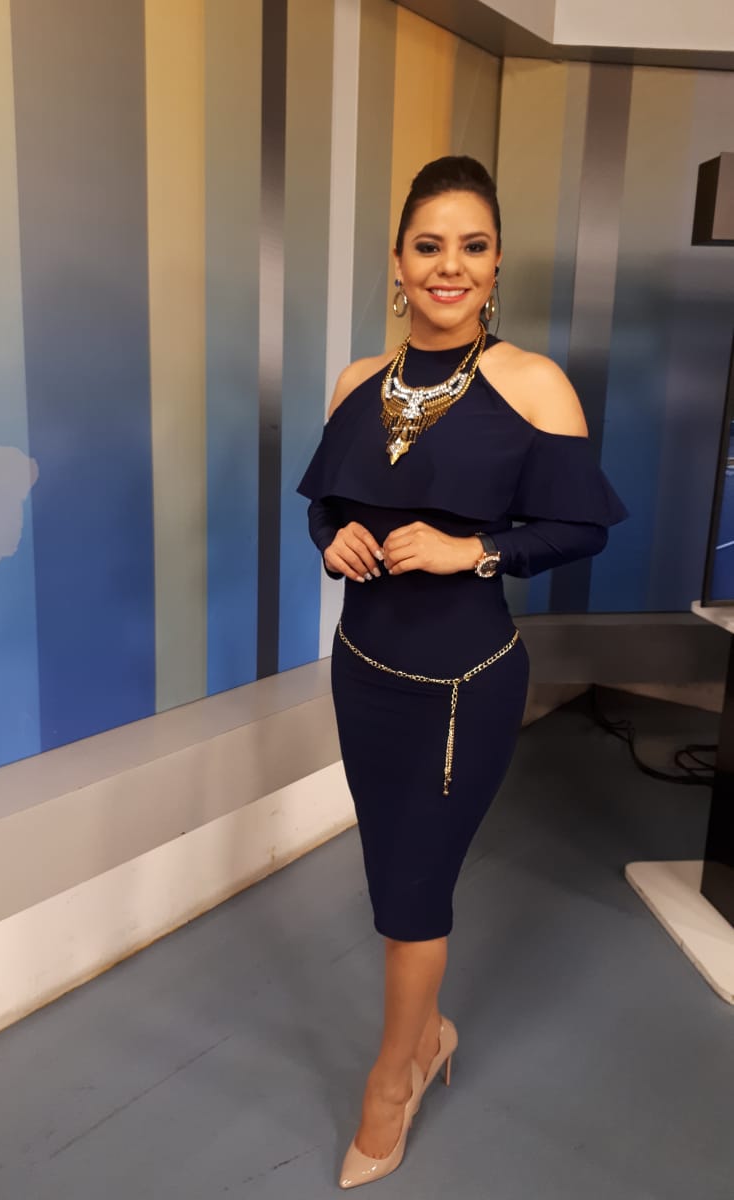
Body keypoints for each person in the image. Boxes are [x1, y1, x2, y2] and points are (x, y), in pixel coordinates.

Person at [297, 156, 628, 1190]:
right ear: (398, 264)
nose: (451, 266)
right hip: (362, 672)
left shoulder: (533, 383)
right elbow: (325, 502)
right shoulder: (358, 381)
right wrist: (336, 539)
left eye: (472, 247)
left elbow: (580, 529)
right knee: (390, 875)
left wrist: (471, 550)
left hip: (462, 687)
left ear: (496, 265)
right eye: (429, 246)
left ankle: (391, 1083)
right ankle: (431, 1031)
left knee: (413, 897)